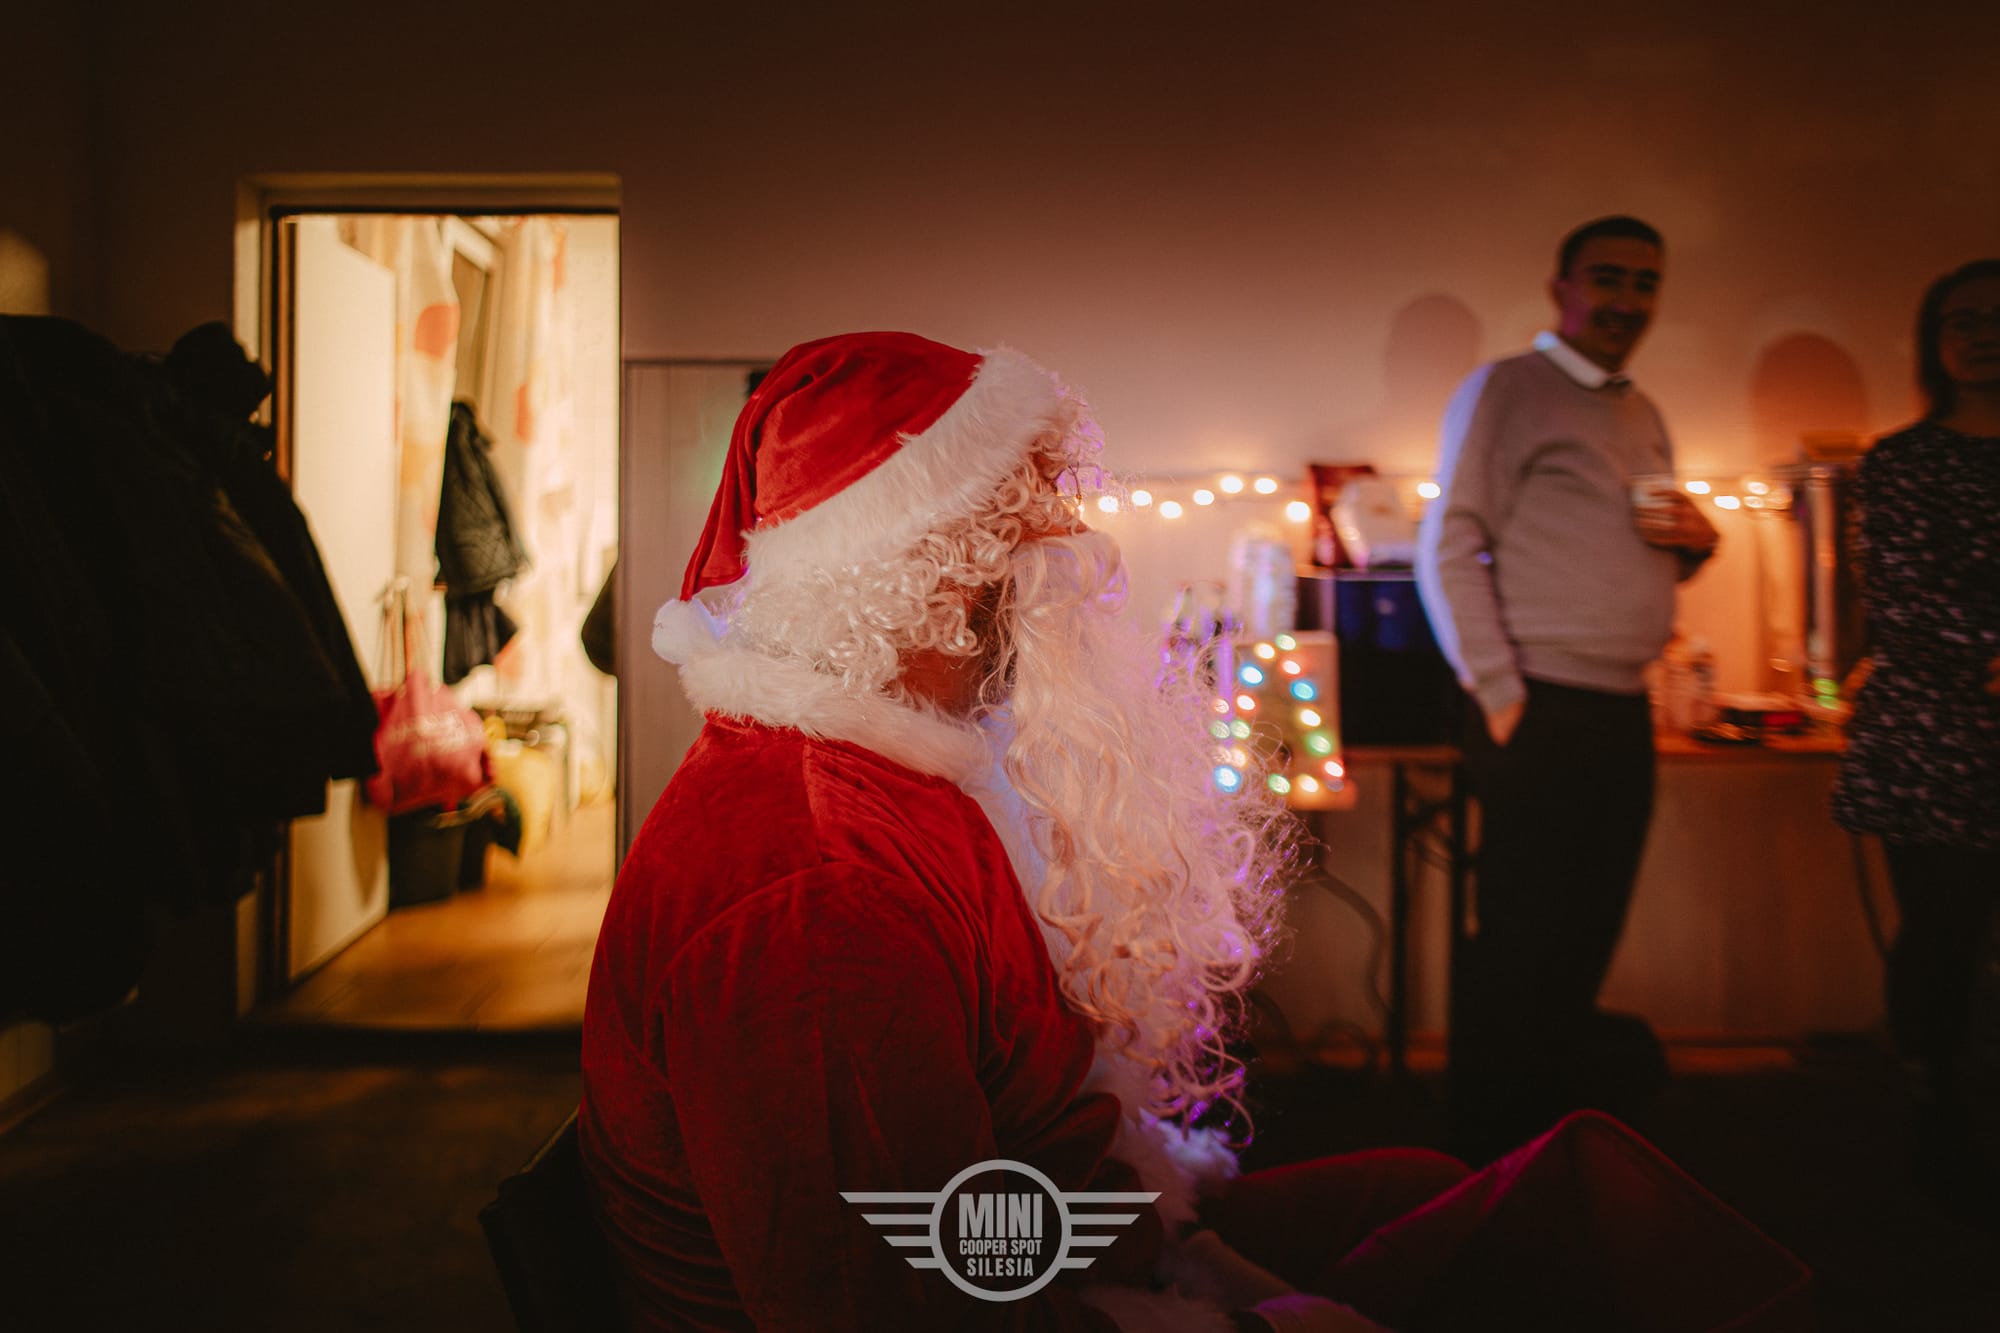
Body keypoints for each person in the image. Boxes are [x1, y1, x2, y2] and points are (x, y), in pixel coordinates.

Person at [1414, 216, 1719, 1163]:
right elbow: (1449, 543)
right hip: (1539, 705)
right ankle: (1484, 1161)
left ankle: (1549, 1154)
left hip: (1622, 704)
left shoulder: (1642, 408)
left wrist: (1698, 544)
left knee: (1587, 937)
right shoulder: (1507, 388)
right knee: (1521, 945)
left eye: (1646, 282)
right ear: (1562, 289)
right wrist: (1500, 692)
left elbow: (1634, 545)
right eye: (1608, 277)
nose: (1628, 299)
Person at [1833, 258, 2000, 1214]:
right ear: (1936, 341)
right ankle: (1937, 1112)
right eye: (1961, 319)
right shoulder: (1901, 461)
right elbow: (1897, 597)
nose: (1981, 333)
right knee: (1943, 931)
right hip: (1935, 730)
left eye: (1997, 316)